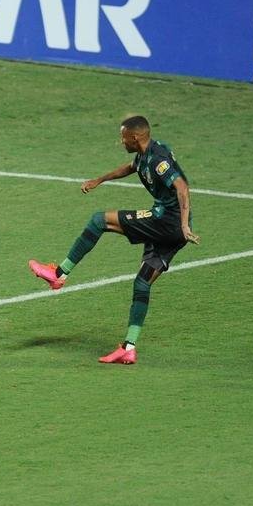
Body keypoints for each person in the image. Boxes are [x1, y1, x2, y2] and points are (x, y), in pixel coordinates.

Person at [28, 115, 199, 365]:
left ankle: (59, 274)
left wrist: (183, 225)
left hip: (167, 221)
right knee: (142, 282)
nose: (121, 141)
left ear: (135, 137)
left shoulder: (159, 159)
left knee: (100, 220)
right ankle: (128, 348)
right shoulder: (146, 153)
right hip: (171, 230)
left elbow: (182, 187)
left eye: (124, 137)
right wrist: (100, 179)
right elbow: (130, 167)